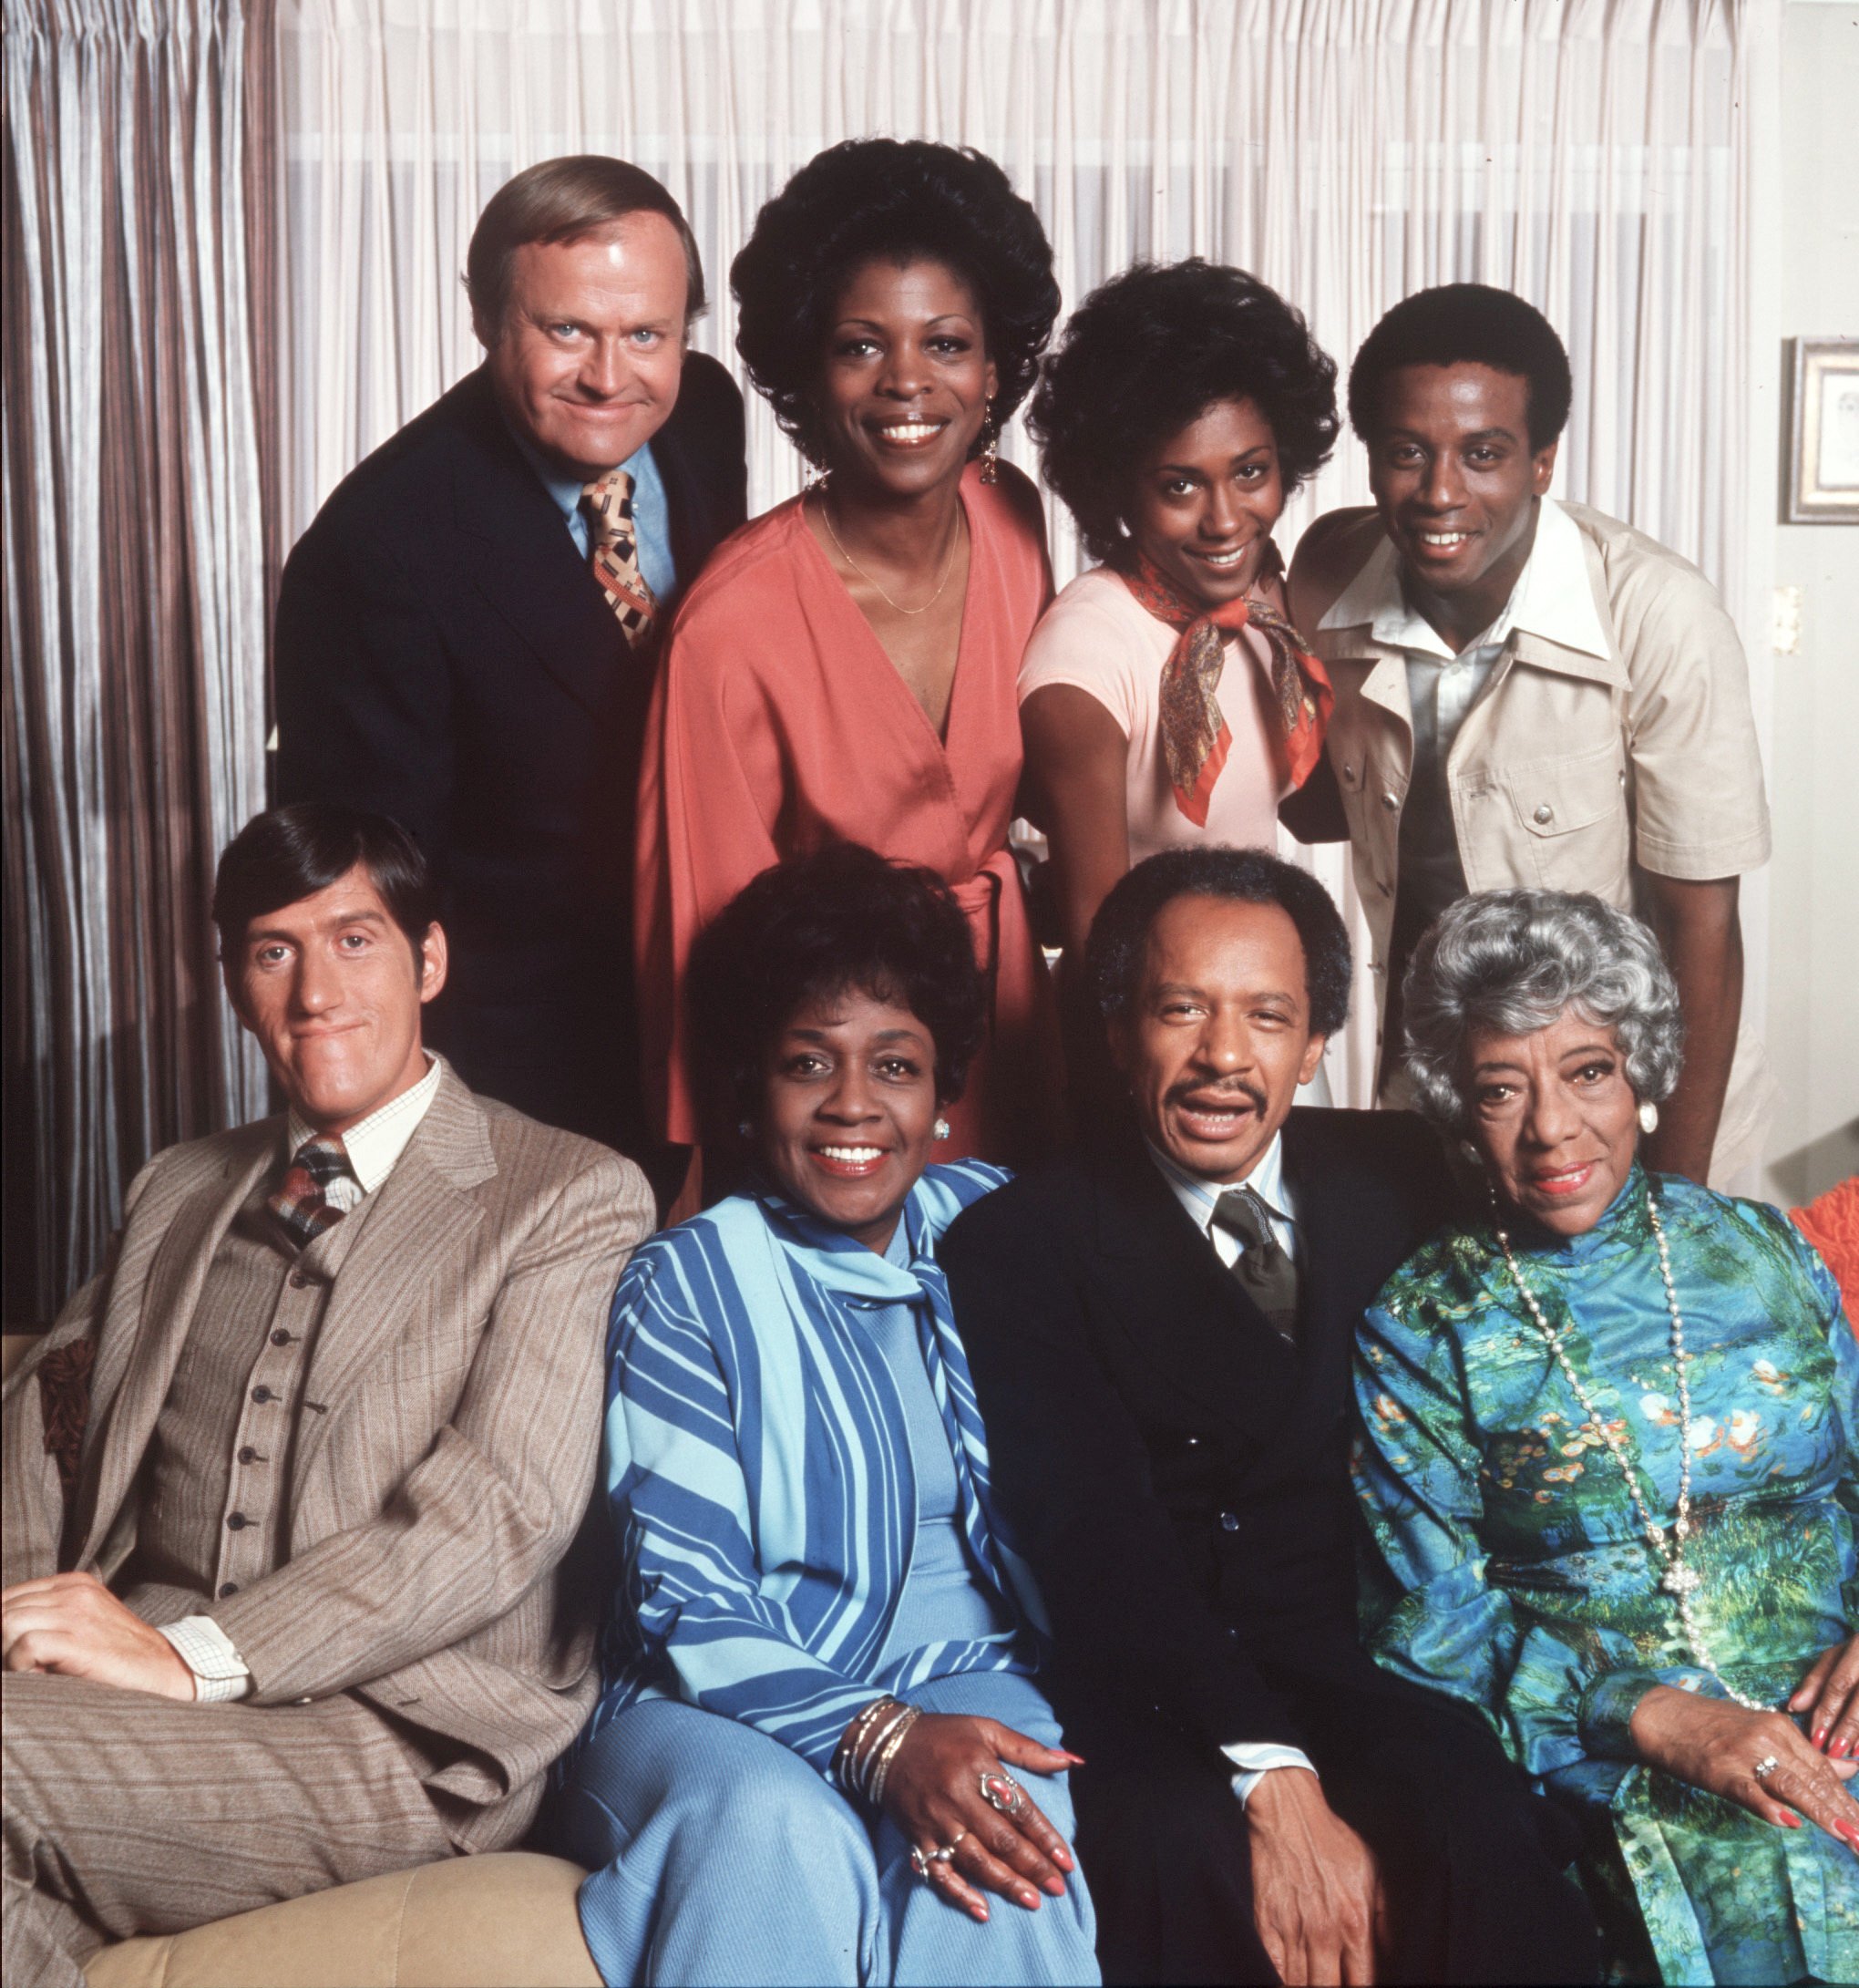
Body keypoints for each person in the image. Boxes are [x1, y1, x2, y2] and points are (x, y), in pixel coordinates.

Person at [1, 803, 652, 1988]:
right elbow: (49, 1415)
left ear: (430, 960)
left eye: (355, 940)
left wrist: (195, 1654)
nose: (315, 991)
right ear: (235, 985)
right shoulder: (179, 1189)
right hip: (134, 1697)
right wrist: (20, 1619)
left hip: (393, 1737)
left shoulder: (565, 1196)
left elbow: (497, 1510)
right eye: (273, 950)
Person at [939, 847, 1599, 1985]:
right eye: (1180, 1009)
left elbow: (1580, 1331)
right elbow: (1097, 1543)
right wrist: (1267, 1771)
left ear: (1320, 1043)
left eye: (1268, 1016)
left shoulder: (1409, 1173)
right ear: (1115, 1031)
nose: (1224, 1058)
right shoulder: (1022, 1243)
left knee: (1478, 1824)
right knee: (1184, 1857)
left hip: (1375, 1661)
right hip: (1163, 1681)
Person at [552, 843, 1098, 1987]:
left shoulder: (997, 1226)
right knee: (773, 1828)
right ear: (755, 1089)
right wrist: (880, 1741)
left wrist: (933, 1738)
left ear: (944, 1093)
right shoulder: (689, 1280)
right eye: (811, 1064)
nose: (854, 1106)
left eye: (895, 1066)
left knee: (1003, 1834)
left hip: (967, 1669)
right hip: (715, 1697)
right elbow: (686, 1598)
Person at [1354, 888, 1859, 1987]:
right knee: (1765, 1876)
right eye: (1501, 1088)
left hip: (1834, 1698)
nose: (1550, 1128)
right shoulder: (1426, 1320)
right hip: (1619, 1745)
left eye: (1587, 1070)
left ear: (1641, 1070)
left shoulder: (1763, 1252)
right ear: (1457, 1103)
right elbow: (1427, 1621)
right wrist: (1659, 1718)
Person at [276, 156, 747, 1206]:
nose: (610, 376)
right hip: (519, 1076)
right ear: (491, 319)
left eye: (647, 334)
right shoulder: (377, 548)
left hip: (719, 1016)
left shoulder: (704, 415)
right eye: (567, 331)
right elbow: (368, 900)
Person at [634, 139, 1063, 1176]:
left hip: (1017, 1038)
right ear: (807, 378)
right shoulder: (730, 623)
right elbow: (699, 944)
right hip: (841, 1087)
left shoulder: (1016, 522)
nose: (907, 383)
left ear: (995, 366)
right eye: (861, 347)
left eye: (947, 344)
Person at [1288, 283, 1771, 1188]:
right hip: (1435, 1086)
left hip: (1630, 1106)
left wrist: (1675, 1196)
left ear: (1543, 461)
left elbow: (1704, 925)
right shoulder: (1324, 576)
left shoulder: (1656, 614)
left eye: (1483, 455)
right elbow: (1316, 811)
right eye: (1406, 453)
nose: (1439, 493)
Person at [1019, 261, 1341, 970]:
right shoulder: (1087, 655)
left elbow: (1316, 812)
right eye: (1180, 485)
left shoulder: (1268, 607)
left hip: (1252, 996)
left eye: (1251, 472)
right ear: (1117, 488)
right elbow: (1098, 948)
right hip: (1140, 1036)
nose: (1226, 520)